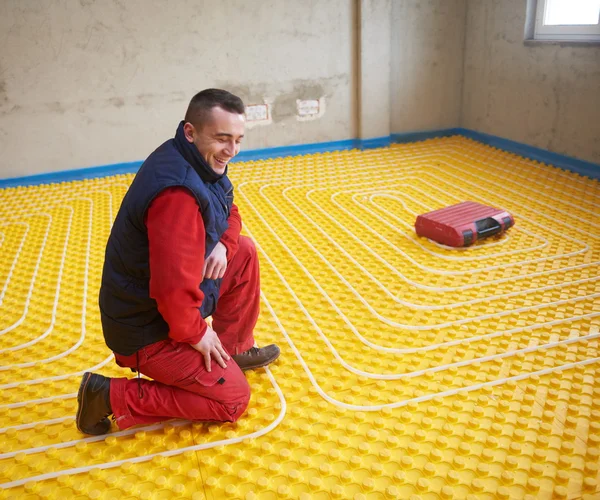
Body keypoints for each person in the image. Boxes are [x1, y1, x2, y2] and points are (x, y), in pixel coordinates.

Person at [76, 89, 280, 435]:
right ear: (191, 131)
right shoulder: (178, 195)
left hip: (160, 304)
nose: (231, 151)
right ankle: (108, 396)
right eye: (222, 139)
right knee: (232, 400)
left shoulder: (193, 159)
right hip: (146, 327)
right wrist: (198, 335)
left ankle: (234, 350)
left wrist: (224, 246)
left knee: (242, 251)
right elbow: (171, 290)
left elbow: (229, 209)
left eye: (238, 140)